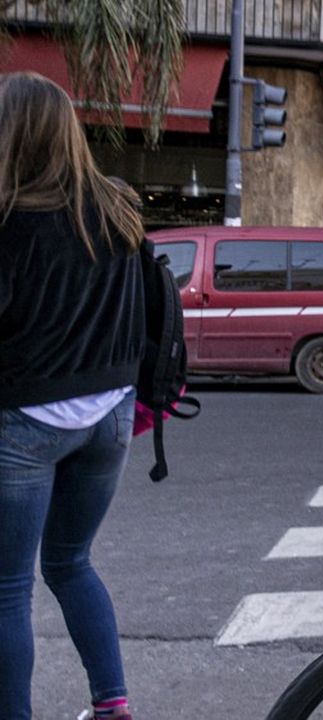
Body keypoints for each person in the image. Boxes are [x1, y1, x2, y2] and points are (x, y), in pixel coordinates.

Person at [0, 72, 144, 720]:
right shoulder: (117, 209)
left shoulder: (8, 218)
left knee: (6, 590)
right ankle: (112, 705)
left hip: (26, 420)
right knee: (70, 562)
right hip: (109, 415)